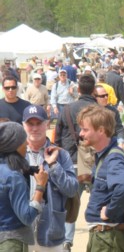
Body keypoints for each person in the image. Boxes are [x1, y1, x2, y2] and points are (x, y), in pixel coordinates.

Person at [22, 105, 78, 251]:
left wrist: (53, 165)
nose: (34, 128)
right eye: (30, 124)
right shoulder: (16, 155)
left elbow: (72, 189)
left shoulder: (61, 155)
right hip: (22, 231)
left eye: (38, 123)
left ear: (47, 124)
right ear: (23, 125)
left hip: (50, 231)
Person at [78, 105, 124, 251]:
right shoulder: (104, 155)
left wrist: (109, 211)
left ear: (101, 130)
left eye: (85, 129)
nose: (81, 133)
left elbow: (123, 188)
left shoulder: (113, 158)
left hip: (107, 238)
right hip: (103, 236)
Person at [55, 74, 97, 250]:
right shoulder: (98, 110)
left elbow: (57, 136)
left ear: (78, 90)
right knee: (99, 201)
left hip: (70, 160)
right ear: (94, 90)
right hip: (94, 162)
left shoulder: (66, 109)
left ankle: (67, 240)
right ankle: (97, 238)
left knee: (71, 203)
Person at [0, 121, 49, 251]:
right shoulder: (13, 177)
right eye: (23, 140)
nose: (27, 144)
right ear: (14, 145)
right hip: (12, 242)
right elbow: (27, 217)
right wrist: (40, 186)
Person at [95, 85, 124, 149]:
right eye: (102, 96)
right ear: (95, 97)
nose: (106, 97)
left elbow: (119, 129)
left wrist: (120, 143)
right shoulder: (91, 112)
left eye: (106, 95)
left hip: (111, 146)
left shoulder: (113, 111)